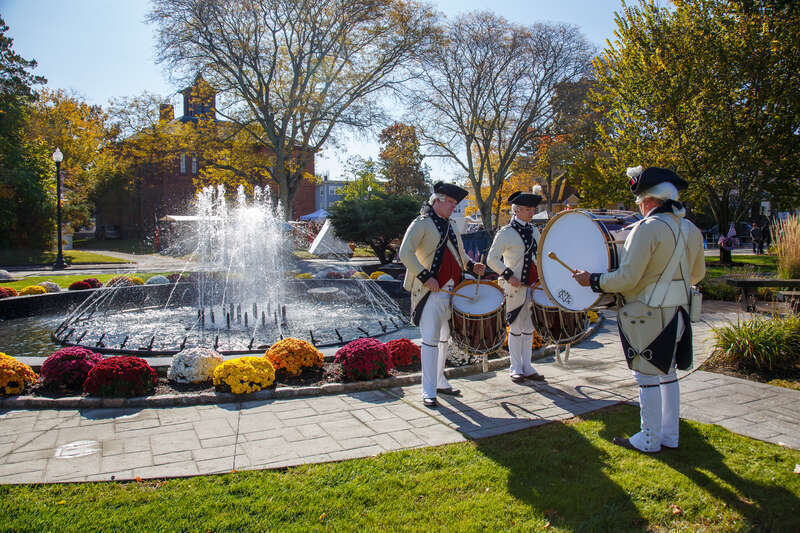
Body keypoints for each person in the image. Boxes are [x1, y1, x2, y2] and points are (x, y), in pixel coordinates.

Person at [573, 166, 705, 454]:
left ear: (650, 200)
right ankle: (670, 435)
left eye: (641, 202)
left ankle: (648, 438)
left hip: (648, 314)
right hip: (678, 311)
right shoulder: (690, 229)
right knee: (668, 372)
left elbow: (627, 279)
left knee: (646, 376)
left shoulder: (647, 229)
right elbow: (696, 275)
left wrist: (593, 280)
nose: (640, 208)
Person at [398, 181, 486, 408]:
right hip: (430, 291)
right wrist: (426, 276)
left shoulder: (452, 225)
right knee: (429, 341)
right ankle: (428, 390)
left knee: (444, 338)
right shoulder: (421, 223)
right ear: (437, 200)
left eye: (455, 204)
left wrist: (472, 266)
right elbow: (405, 253)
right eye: (451, 203)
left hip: (452, 291)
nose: (453, 208)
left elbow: (460, 254)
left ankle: (439, 380)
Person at [487, 191, 546, 383]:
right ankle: (515, 367)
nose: (531, 213)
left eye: (532, 209)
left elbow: (539, 256)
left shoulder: (535, 231)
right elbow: (491, 259)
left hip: (532, 285)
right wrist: (508, 275)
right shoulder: (506, 233)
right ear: (517, 210)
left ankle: (527, 367)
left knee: (528, 328)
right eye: (528, 209)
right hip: (513, 287)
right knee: (515, 327)